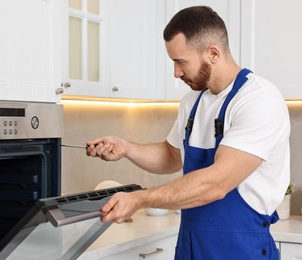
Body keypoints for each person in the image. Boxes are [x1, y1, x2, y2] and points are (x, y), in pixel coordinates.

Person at [87, 5, 290, 259]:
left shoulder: (258, 100)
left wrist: (139, 199)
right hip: (191, 247)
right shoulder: (192, 101)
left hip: (240, 250)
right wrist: (127, 148)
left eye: (181, 62)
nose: (176, 72)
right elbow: (172, 155)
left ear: (213, 53)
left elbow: (215, 184)